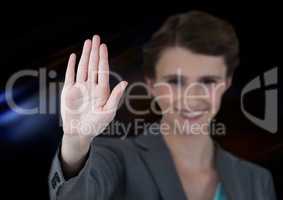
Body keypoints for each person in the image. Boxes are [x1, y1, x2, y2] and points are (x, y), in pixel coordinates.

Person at [49, 11, 277, 200]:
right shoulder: (118, 159)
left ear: (225, 84)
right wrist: (76, 141)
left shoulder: (256, 180)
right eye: (175, 81)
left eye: (208, 81)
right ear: (153, 85)